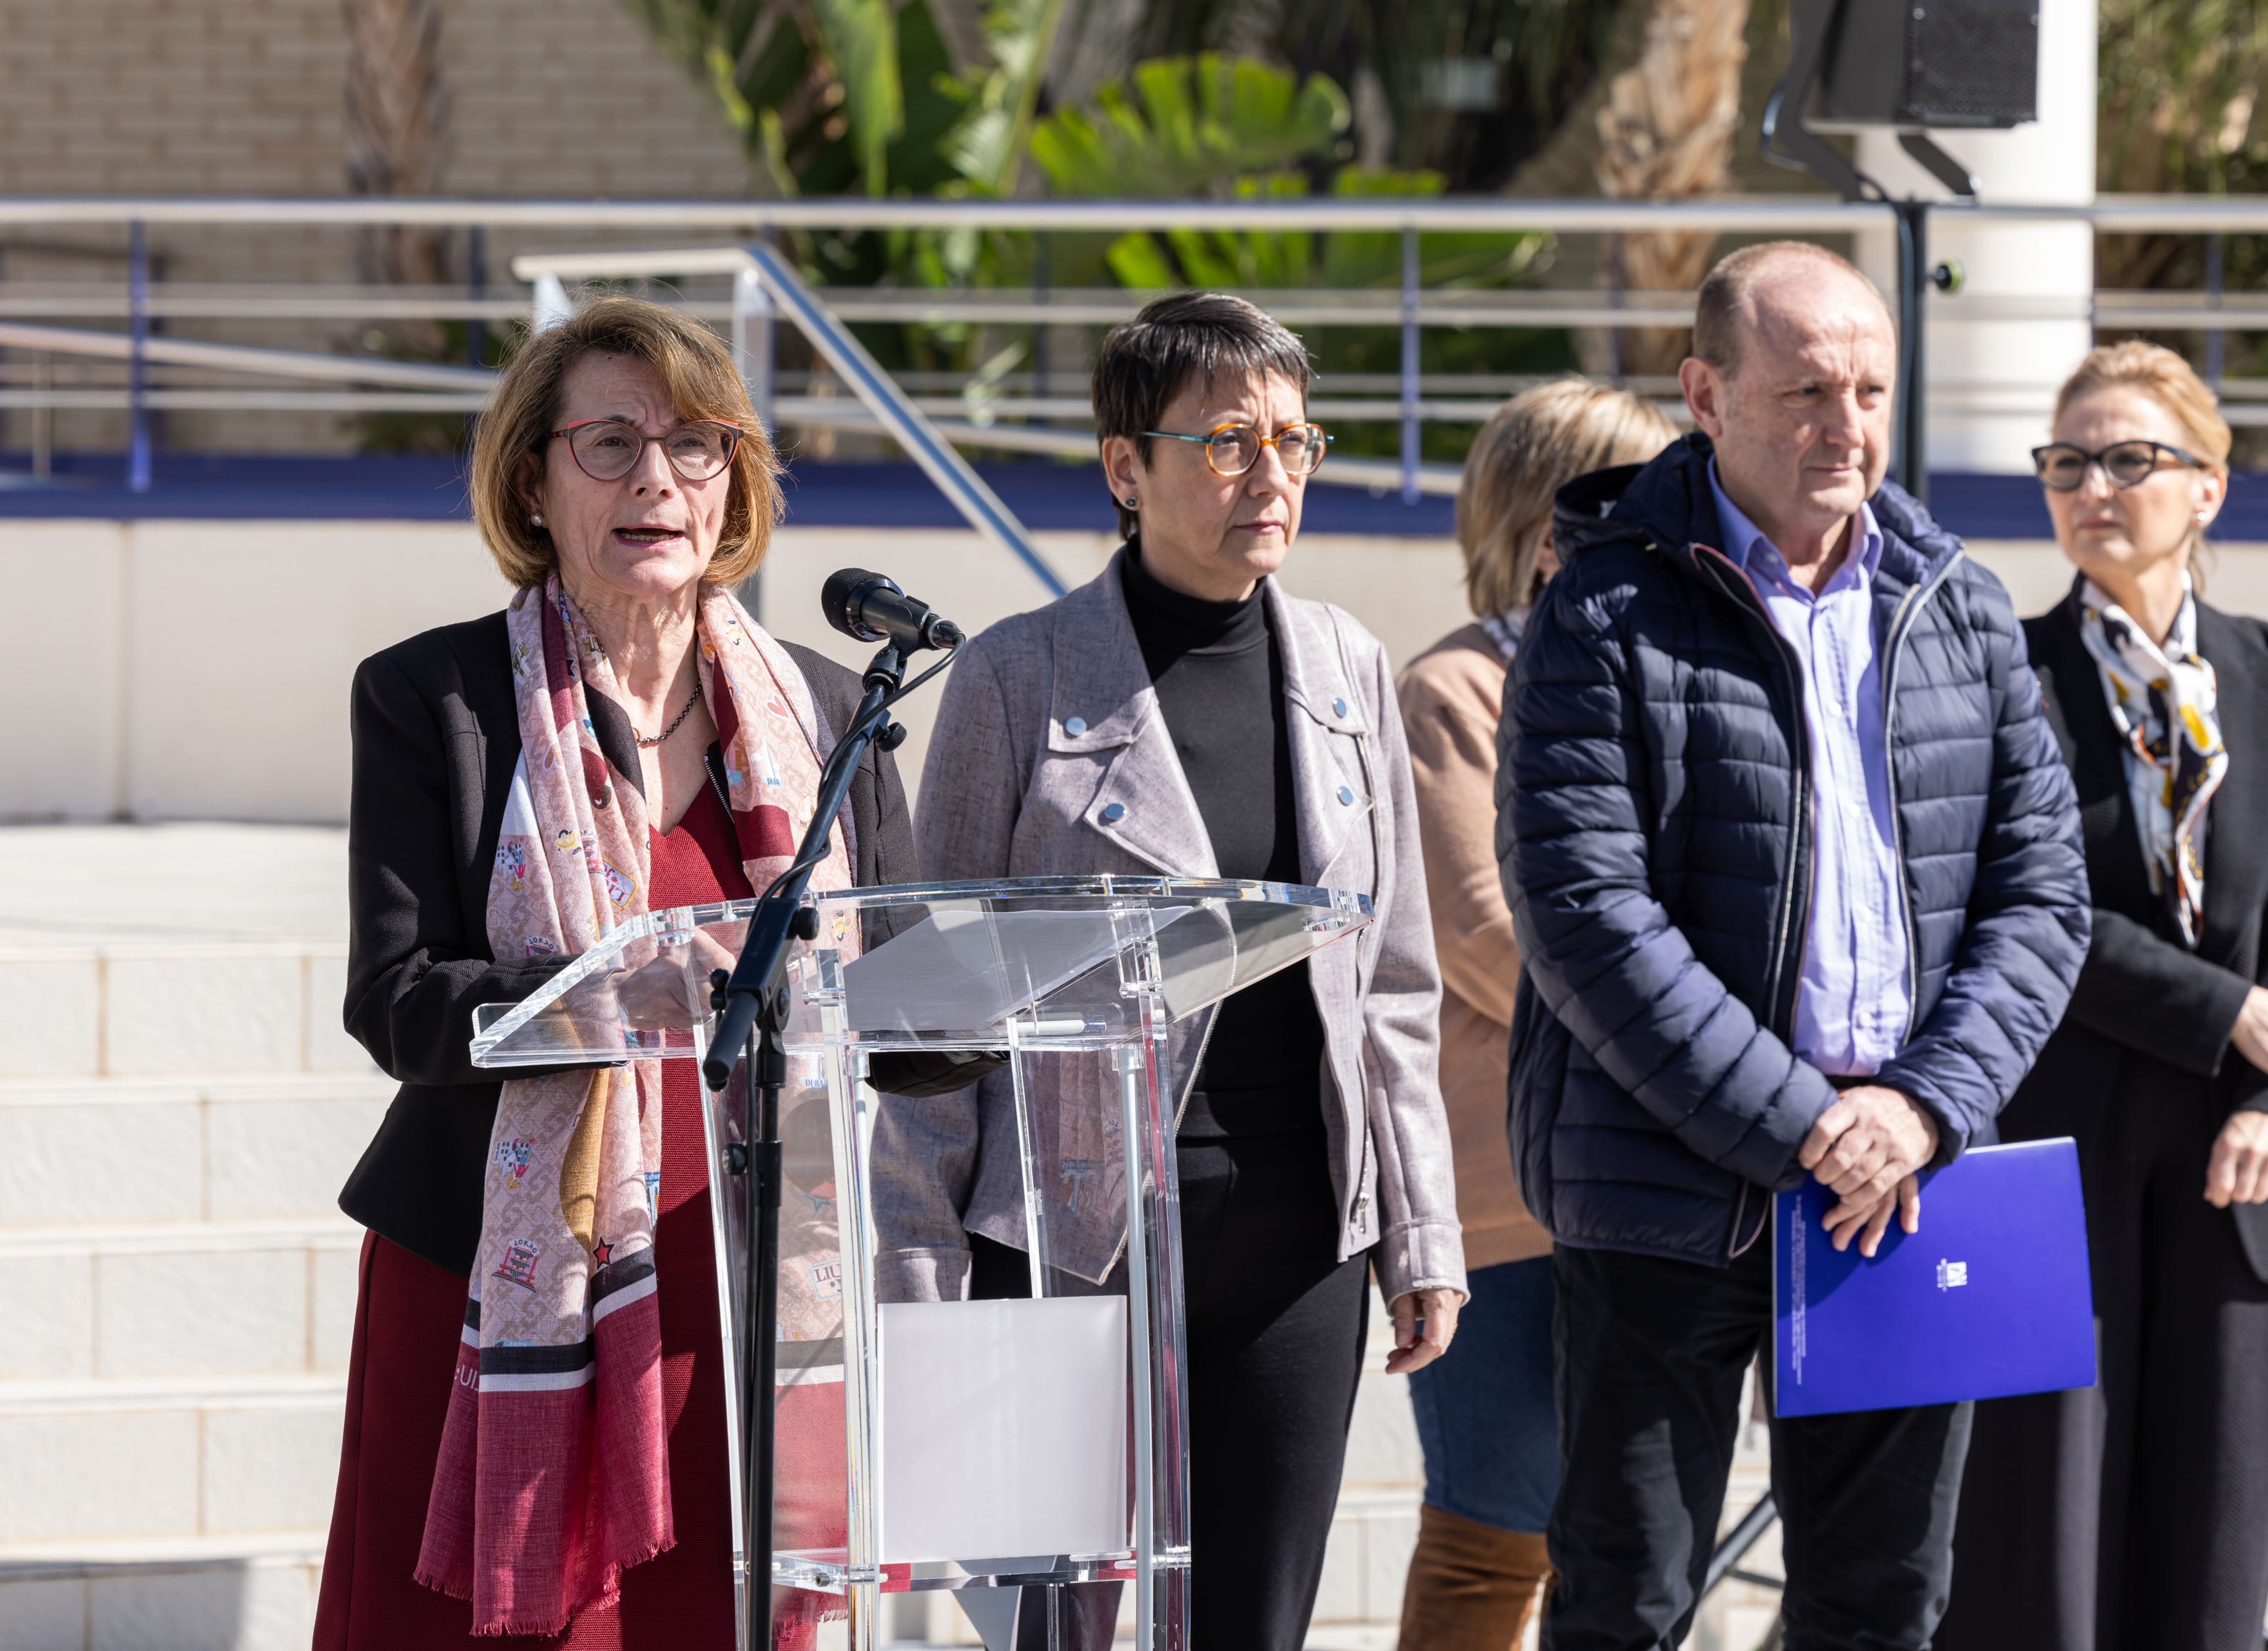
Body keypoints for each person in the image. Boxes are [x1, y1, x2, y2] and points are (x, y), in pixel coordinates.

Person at [315, 294, 980, 1647]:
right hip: (506, 1291)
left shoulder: (831, 711)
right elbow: (396, 1001)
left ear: (735, 481)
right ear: (535, 481)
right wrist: (612, 994)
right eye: (610, 444)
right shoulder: (437, 700)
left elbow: (903, 1017)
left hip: (746, 1289)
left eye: (694, 444)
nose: (655, 481)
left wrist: (1013, 997)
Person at [1495, 241, 2091, 1650]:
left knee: (1881, 1602)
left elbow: (2042, 889)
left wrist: (1919, 1106)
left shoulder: (1956, 603)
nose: (1847, 426)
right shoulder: (1599, 609)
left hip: (1903, 1184)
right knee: (1626, 1600)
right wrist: (1807, 1124)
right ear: (1703, 393)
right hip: (1667, 1187)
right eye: (1805, 390)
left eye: (1870, 390)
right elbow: (1586, 915)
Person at [882, 289, 1467, 1651]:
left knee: (1253, 1625)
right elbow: (930, 1005)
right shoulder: (1015, 678)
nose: (1271, 476)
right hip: (1070, 1237)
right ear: (1123, 465)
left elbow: (1392, 979)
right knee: (1056, 1630)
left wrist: (1420, 1227)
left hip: (1296, 1237)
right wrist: (920, 1276)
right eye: (1226, 443)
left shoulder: (1345, 664)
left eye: (1294, 442)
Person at [1941, 342, 2268, 1651]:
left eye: (2131, 459)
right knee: (2044, 1554)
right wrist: (2235, 1016)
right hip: (2054, 1145)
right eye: (2068, 462)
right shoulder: (1995, 668)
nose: (2093, 487)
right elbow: (2028, 907)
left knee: (2212, 1552)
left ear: (2210, 488)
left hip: (2248, 1153)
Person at [1392, 380, 1673, 1650]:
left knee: (1619, 1544)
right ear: (1541, 509)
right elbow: (1490, 939)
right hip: (1507, 1198)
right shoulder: (1451, 691)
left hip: (1650, 1175)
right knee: (1488, 1540)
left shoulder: (1659, 672)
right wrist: (1694, 1042)